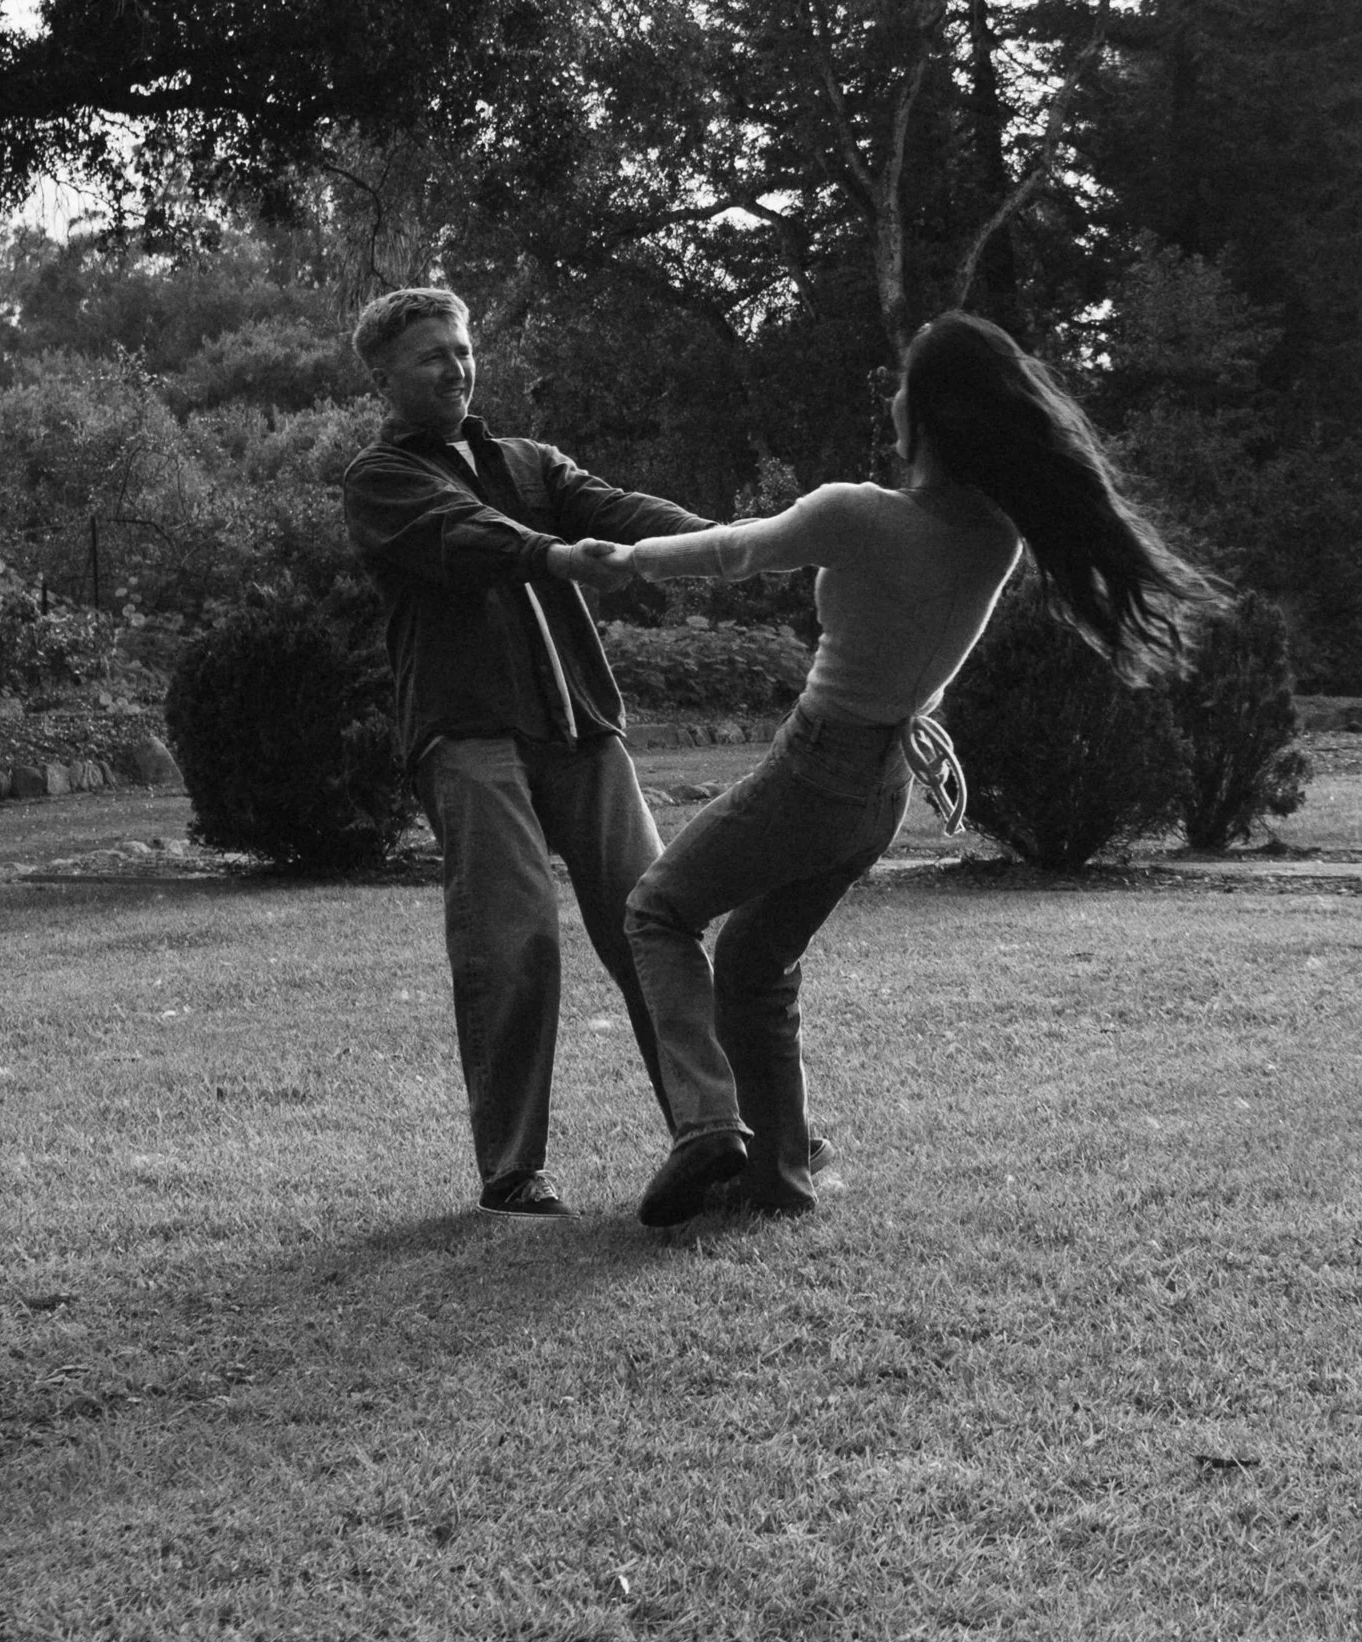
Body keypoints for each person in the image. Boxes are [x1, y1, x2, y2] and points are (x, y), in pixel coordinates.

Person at [573, 309, 1215, 1228]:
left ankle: (709, 1128)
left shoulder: (860, 516)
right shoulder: (996, 536)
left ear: (933, 414)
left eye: (904, 379)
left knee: (656, 909)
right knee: (755, 963)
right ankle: (781, 1179)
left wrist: (625, 558)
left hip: (819, 766)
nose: (892, 394)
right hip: (881, 790)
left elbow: (737, 548)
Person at [341, 284, 705, 1217]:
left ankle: (717, 1131)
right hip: (467, 732)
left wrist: (738, 541)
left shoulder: (531, 461)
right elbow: (464, 539)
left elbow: (620, 509)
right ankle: (512, 1167)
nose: (455, 368)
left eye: (461, 350)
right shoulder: (381, 479)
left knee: (653, 920)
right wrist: (554, 556)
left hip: (581, 723)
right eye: (432, 356)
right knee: (514, 941)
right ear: (384, 377)